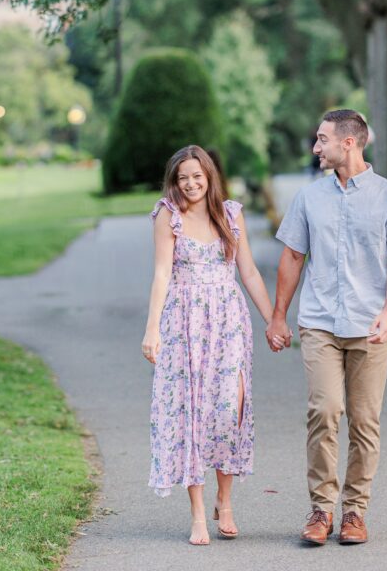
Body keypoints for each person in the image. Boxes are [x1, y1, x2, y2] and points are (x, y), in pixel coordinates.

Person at [266, 110, 387, 546]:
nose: (316, 148)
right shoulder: (309, 198)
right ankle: (321, 509)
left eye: (322, 140)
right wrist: (279, 315)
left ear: (349, 143)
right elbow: (293, 257)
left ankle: (354, 512)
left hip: (371, 325)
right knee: (324, 410)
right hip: (319, 322)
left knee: (364, 421)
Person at [142, 144, 284, 545]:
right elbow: (161, 275)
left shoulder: (231, 214)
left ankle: (226, 501)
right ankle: (199, 514)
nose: (190, 184)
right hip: (184, 323)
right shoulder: (168, 216)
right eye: (182, 177)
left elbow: (251, 273)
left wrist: (273, 319)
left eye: (196, 176)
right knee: (191, 414)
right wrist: (152, 329)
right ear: (175, 180)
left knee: (229, 411)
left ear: (209, 177)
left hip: (228, 322)